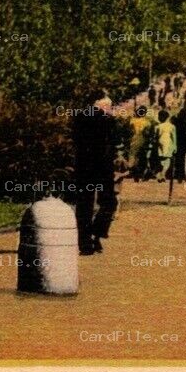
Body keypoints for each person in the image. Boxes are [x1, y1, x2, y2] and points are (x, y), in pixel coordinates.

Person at [70, 94, 119, 255]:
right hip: (103, 167)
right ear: (102, 105)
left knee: (84, 205)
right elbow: (111, 145)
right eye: (109, 106)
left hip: (83, 167)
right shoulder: (108, 121)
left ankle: (84, 243)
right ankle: (97, 232)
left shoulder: (78, 118)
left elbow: (75, 141)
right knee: (109, 202)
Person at [153, 108, 178, 203]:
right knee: (166, 160)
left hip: (162, 144)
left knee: (162, 160)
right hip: (167, 144)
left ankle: (162, 173)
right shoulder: (171, 126)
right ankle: (163, 172)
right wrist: (175, 146)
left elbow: (155, 137)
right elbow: (174, 138)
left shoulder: (158, 126)